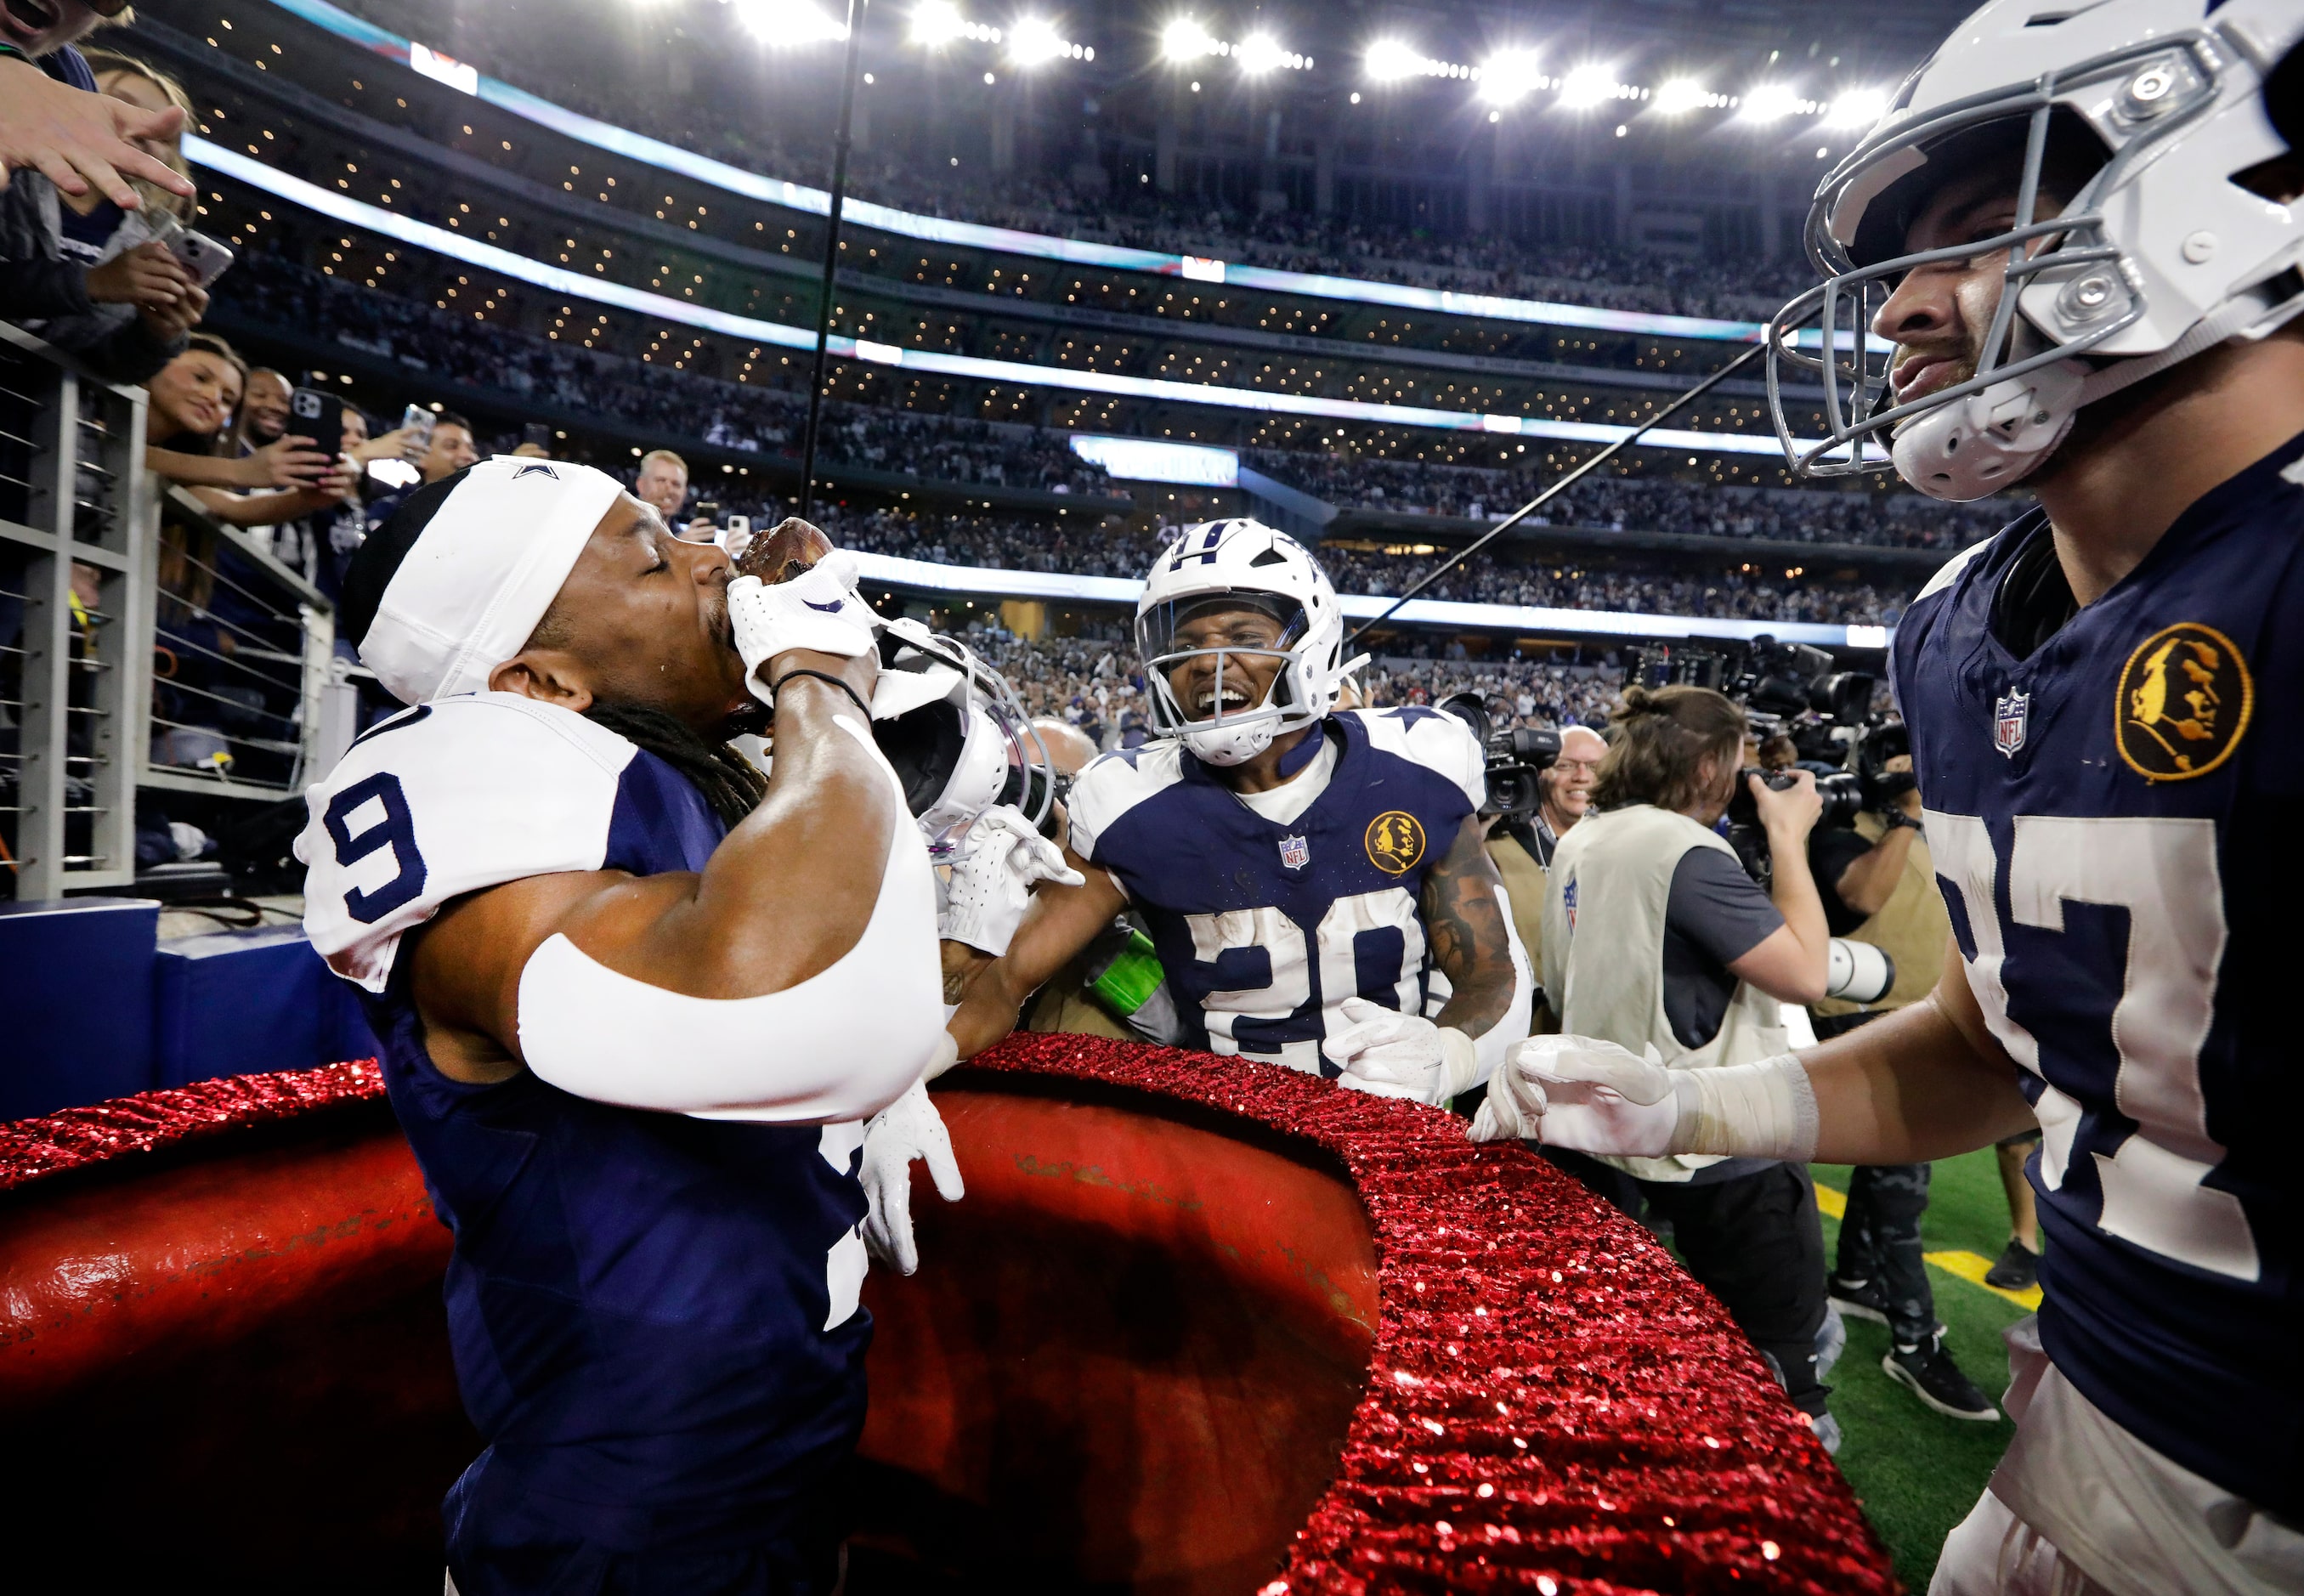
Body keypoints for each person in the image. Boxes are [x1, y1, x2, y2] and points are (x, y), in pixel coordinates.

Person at [1490, 4, 2304, 1589]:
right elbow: (1999, 1045)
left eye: (1984, 230)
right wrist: (1699, 1106)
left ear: (2236, 196)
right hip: (2086, 1430)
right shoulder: (1957, 626)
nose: (1902, 313)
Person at [299, 464, 963, 1592]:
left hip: (774, 1453)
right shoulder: (488, 767)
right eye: (655, 555)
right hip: (625, 1519)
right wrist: (816, 675)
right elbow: (761, 996)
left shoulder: (672, 780)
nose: (715, 560)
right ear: (535, 679)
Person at [948, 518, 1531, 1105]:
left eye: (1242, 634)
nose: (1206, 662)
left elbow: (1491, 971)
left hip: (1397, 1116)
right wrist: (906, 1074)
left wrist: (1448, 1056)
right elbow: (1004, 977)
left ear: (1311, 644)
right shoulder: (1127, 804)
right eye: (1186, 645)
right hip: (1236, 1138)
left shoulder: (1417, 766)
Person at [1481, 684, 1842, 1443]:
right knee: (1777, 1378)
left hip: (1611, 1132)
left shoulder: (1587, 834)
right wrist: (1787, 837)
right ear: (1711, 762)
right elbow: (1805, 972)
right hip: (1713, 1138)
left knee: (1628, 1359)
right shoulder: (1679, 849)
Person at [1809, 723, 1997, 1422]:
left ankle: (1854, 1278)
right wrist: (1910, 813)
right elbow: (1862, 898)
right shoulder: (1836, 829)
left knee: (1891, 1171)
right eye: (1898, 758)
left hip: (1927, 1018)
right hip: (1857, 1019)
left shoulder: (1950, 834)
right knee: (1903, 1184)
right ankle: (1913, 1341)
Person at [0, 39, 202, 383]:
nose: (144, 132)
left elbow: (105, 365)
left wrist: (156, 336)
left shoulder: (149, 241)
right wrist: (91, 283)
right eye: (124, 104)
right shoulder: (9, 171)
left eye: (165, 135)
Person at [1484, 722, 1604, 1033]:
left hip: (1600, 1029)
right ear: (1538, 774)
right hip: (1523, 1031)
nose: (1582, 775)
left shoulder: (1625, 843)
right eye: (1565, 765)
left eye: (1595, 766)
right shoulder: (1496, 844)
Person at [636, 446, 691, 526]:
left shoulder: (683, 534)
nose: (669, 489)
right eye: (661, 480)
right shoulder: (619, 524)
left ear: (684, 492)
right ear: (641, 485)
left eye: (676, 484)